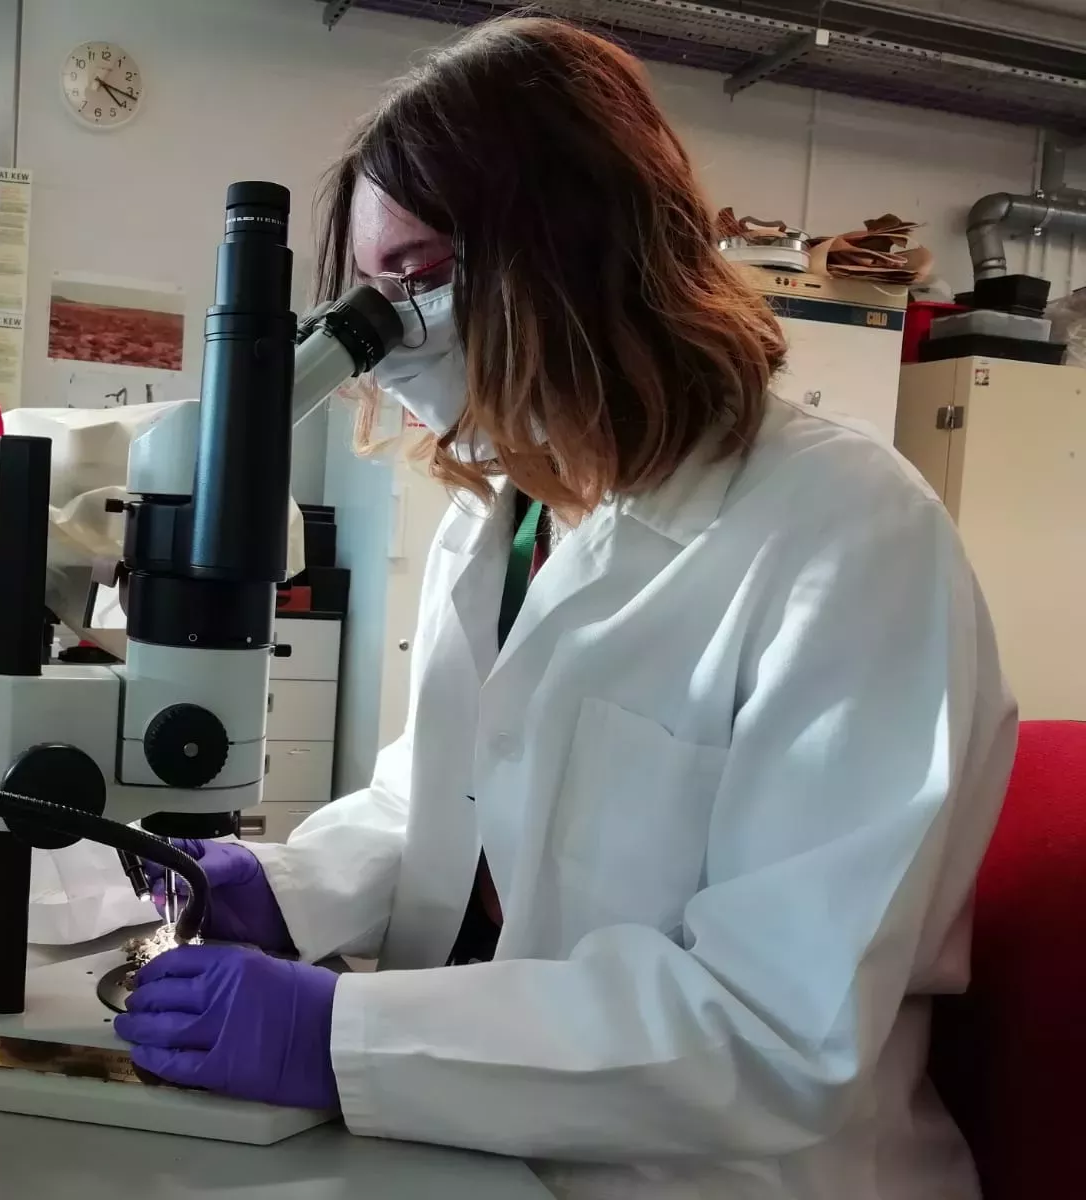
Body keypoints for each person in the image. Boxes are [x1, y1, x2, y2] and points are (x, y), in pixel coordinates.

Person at [114, 17, 1015, 1199]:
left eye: (419, 282)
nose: (380, 349)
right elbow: (444, 799)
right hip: (485, 1140)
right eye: (371, 295)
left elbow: (776, 1028)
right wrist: (284, 891)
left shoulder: (848, 537)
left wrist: (336, 1036)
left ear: (574, 255)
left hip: (722, 1174)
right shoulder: (505, 518)